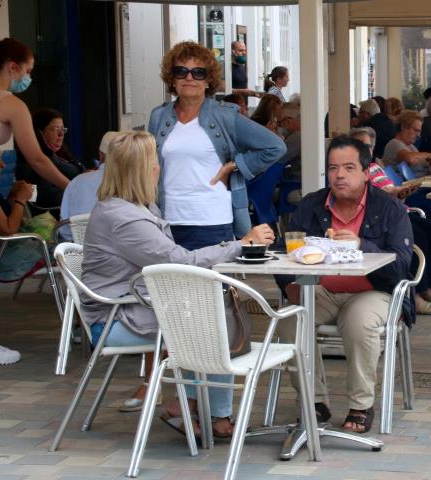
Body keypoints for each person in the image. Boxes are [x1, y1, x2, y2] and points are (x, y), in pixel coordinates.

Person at [82, 130, 275, 437]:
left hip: (130, 308)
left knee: (207, 311)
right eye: (154, 161)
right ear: (143, 170)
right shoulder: (126, 219)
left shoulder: (134, 208)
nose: (159, 166)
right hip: (114, 321)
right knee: (211, 320)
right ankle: (213, 415)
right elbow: (179, 262)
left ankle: (189, 405)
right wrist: (241, 244)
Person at [147, 41, 285, 427]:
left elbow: (273, 146)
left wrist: (233, 166)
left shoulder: (223, 116)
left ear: (210, 79)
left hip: (215, 225)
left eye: (198, 72)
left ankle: (221, 412)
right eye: (181, 71)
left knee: (218, 322)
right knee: (182, 321)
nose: (190, 79)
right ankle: (190, 404)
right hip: (170, 226)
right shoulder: (158, 118)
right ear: (171, 78)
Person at [277, 135, 414, 433]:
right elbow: (283, 251)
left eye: (349, 167)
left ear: (366, 172)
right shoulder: (312, 204)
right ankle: (315, 402)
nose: (339, 175)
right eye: (333, 168)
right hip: (321, 289)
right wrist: (290, 284)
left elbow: (404, 262)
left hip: (374, 289)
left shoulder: (389, 207)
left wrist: (361, 245)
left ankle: (361, 405)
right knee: (290, 321)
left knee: (359, 322)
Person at [0, 37, 70, 366]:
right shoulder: (10, 103)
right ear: (13, 67)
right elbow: (39, 159)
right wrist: (72, 187)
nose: (27, 79)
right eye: (27, 71)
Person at [351, 127, 431, 314]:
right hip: (379, 219)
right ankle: (415, 294)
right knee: (417, 237)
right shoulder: (352, 172)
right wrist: (391, 194)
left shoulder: (375, 167)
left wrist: (402, 193)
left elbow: (393, 195)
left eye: (369, 146)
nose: (366, 150)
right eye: (360, 146)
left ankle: (429, 286)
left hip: (399, 212)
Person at [15, 108, 86, 218]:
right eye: (55, 129)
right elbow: (44, 197)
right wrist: (80, 193)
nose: (60, 135)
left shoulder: (59, 153)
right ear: (39, 133)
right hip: (54, 216)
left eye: (63, 130)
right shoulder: (31, 161)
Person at [0, 148, 43, 282]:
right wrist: (20, 200)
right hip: (2, 259)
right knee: (54, 247)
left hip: (3, 250)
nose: (2, 165)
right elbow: (8, 229)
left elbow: (2, 219)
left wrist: (13, 195)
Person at [59, 131, 119, 241]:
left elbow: (65, 231)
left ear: (100, 155)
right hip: (121, 255)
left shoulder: (77, 182)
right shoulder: (132, 184)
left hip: (81, 254)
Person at [381, 110, 431, 178]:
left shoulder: (411, 146)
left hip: (420, 183)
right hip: (410, 186)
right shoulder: (394, 144)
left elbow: (420, 163)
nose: (418, 135)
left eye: (419, 131)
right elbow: (410, 159)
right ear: (403, 127)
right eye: (416, 130)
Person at [276, 102, 302, 177]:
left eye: (279, 123)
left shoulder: (297, 137)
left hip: (298, 183)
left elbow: (276, 159)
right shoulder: (307, 133)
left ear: (288, 122)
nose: (279, 127)